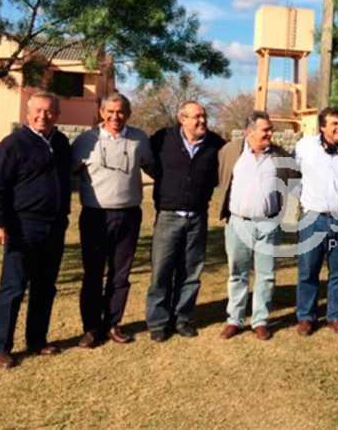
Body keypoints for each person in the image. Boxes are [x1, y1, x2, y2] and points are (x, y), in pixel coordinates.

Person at [0, 92, 71, 368]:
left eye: (49, 111)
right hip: (23, 226)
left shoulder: (60, 142)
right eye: (38, 110)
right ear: (28, 113)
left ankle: (37, 340)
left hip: (54, 225)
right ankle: (1, 348)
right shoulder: (12, 145)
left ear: (57, 114)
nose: (43, 116)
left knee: (45, 286)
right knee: (13, 287)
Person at [72, 92, 154, 347]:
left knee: (120, 274)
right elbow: (68, 172)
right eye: (110, 111)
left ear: (128, 114)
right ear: (101, 112)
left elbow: (153, 167)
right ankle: (91, 328)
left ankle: (113, 324)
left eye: (120, 112)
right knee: (93, 274)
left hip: (129, 215)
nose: (115, 116)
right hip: (95, 216)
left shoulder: (139, 139)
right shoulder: (86, 140)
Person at [145, 101, 226, 342]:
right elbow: (148, 164)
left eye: (204, 116)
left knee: (191, 272)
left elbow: (219, 174)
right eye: (196, 117)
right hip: (168, 216)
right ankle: (158, 322)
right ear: (182, 119)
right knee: (161, 271)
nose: (202, 121)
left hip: (197, 217)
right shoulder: (162, 139)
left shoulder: (215, 144)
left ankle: (183, 318)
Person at [218, 111, 296, 341]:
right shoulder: (230, 152)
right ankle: (235, 319)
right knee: (237, 274)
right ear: (250, 132)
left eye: (271, 129)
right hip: (238, 223)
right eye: (266, 130)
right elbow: (220, 177)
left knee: (266, 275)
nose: (270, 133)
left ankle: (260, 321)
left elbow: (294, 181)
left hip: (268, 224)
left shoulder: (280, 155)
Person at [294, 107, 338, 336]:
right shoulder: (304, 146)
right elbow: (293, 174)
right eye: (334, 124)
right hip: (313, 218)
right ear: (322, 127)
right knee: (308, 270)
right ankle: (306, 317)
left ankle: (336, 316)